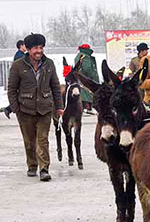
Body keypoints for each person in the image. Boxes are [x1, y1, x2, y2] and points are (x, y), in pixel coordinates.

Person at [7, 33, 63, 181]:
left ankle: (44, 169)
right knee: (29, 141)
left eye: (41, 47)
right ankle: (32, 165)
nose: (39, 51)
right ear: (28, 50)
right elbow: (12, 89)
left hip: (45, 108)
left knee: (42, 139)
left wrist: (59, 106)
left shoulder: (49, 64)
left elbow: (55, 86)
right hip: (25, 110)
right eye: (35, 48)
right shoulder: (18, 65)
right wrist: (16, 108)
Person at [74, 44, 99, 114]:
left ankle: (86, 108)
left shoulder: (80, 55)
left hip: (82, 78)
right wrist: (92, 77)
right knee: (89, 92)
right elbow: (87, 68)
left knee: (85, 93)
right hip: (87, 79)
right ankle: (88, 108)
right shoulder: (85, 57)